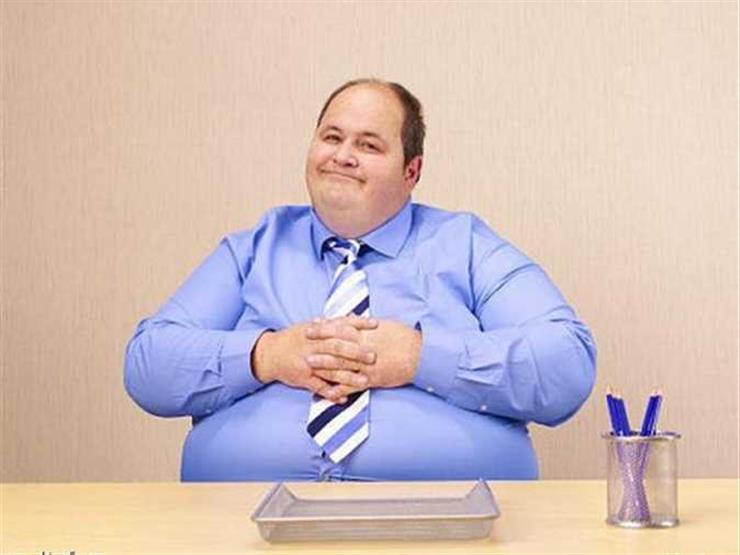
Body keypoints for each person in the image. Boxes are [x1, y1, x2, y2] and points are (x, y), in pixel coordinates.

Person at [124, 78, 597, 482]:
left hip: (446, 530)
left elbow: (567, 363)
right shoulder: (252, 249)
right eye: (331, 137)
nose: (343, 156)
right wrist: (265, 355)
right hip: (241, 526)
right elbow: (149, 365)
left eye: (369, 145)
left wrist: (419, 357)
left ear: (411, 171)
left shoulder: (467, 245)